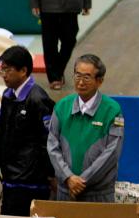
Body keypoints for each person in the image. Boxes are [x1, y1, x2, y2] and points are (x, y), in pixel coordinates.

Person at [0, 46, 56, 218]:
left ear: (23, 70)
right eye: (1, 69)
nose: (3, 74)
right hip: (10, 177)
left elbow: (47, 141)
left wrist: (50, 175)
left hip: (32, 181)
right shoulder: (8, 95)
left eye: (7, 69)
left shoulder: (38, 99)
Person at [48, 54, 124, 202]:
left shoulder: (112, 110)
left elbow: (112, 152)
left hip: (98, 194)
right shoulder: (62, 106)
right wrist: (68, 177)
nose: (81, 82)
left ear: (99, 81)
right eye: (77, 76)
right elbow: (52, 145)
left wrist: (82, 181)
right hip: (66, 191)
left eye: (87, 77)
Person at [30, 0, 91, 90]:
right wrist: (34, 2)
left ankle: (58, 69)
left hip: (72, 2)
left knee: (70, 39)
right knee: (49, 42)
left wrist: (87, 2)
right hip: (48, 2)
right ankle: (54, 77)